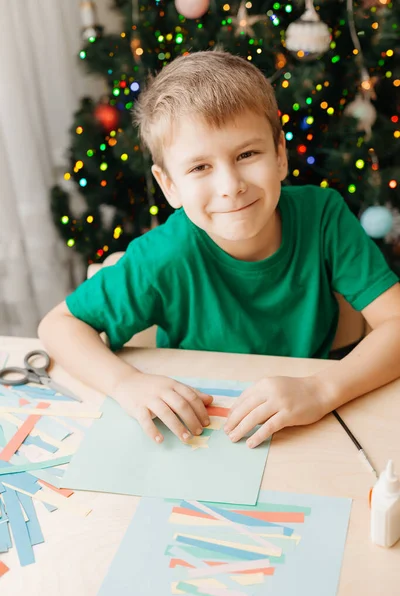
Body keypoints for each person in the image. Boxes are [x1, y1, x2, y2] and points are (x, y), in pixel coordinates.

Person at [39, 50, 400, 449]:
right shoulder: (165, 255)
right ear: (169, 185)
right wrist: (126, 383)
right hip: (199, 435)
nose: (231, 185)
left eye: (247, 155)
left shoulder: (323, 217)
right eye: (199, 167)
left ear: (280, 155)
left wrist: (320, 391)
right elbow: (58, 326)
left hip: (306, 423)